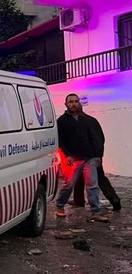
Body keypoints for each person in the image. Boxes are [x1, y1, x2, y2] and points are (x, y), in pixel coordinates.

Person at [55, 93, 108, 222]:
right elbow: (60, 141)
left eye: (75, 101)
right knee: (68, 185)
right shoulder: (61, 121)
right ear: (66, 104)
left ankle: (96, 211)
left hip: (89, 158)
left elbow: (97, 138)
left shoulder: (88, 120)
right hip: (73, 159)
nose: (73, 104)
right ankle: (60, 205)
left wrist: (98, 155)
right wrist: (67, 155)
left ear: (79, 103)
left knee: (92, 185)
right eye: (71, 102)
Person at [68, 102, 121, 211]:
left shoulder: (78, 123)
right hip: (93, 155)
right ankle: (114, 199)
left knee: (81, 177)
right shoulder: (92, 120)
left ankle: (79, 200)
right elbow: (100, 139)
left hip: (86, 156)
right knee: (99, 178)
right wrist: (99, 155)